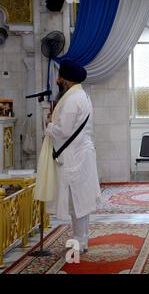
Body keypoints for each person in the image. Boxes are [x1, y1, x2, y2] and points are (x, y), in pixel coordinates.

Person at [45, 59, 101, 253]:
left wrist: (49, 126)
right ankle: (82, 240)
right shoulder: (81, 95)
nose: (58, 80)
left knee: (76, 201)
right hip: (80, 153)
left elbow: (64, 130)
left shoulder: (71, 99)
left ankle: (79, 241)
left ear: (66, 80)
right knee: (80, 200)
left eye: (60, 77)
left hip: (74, 156)